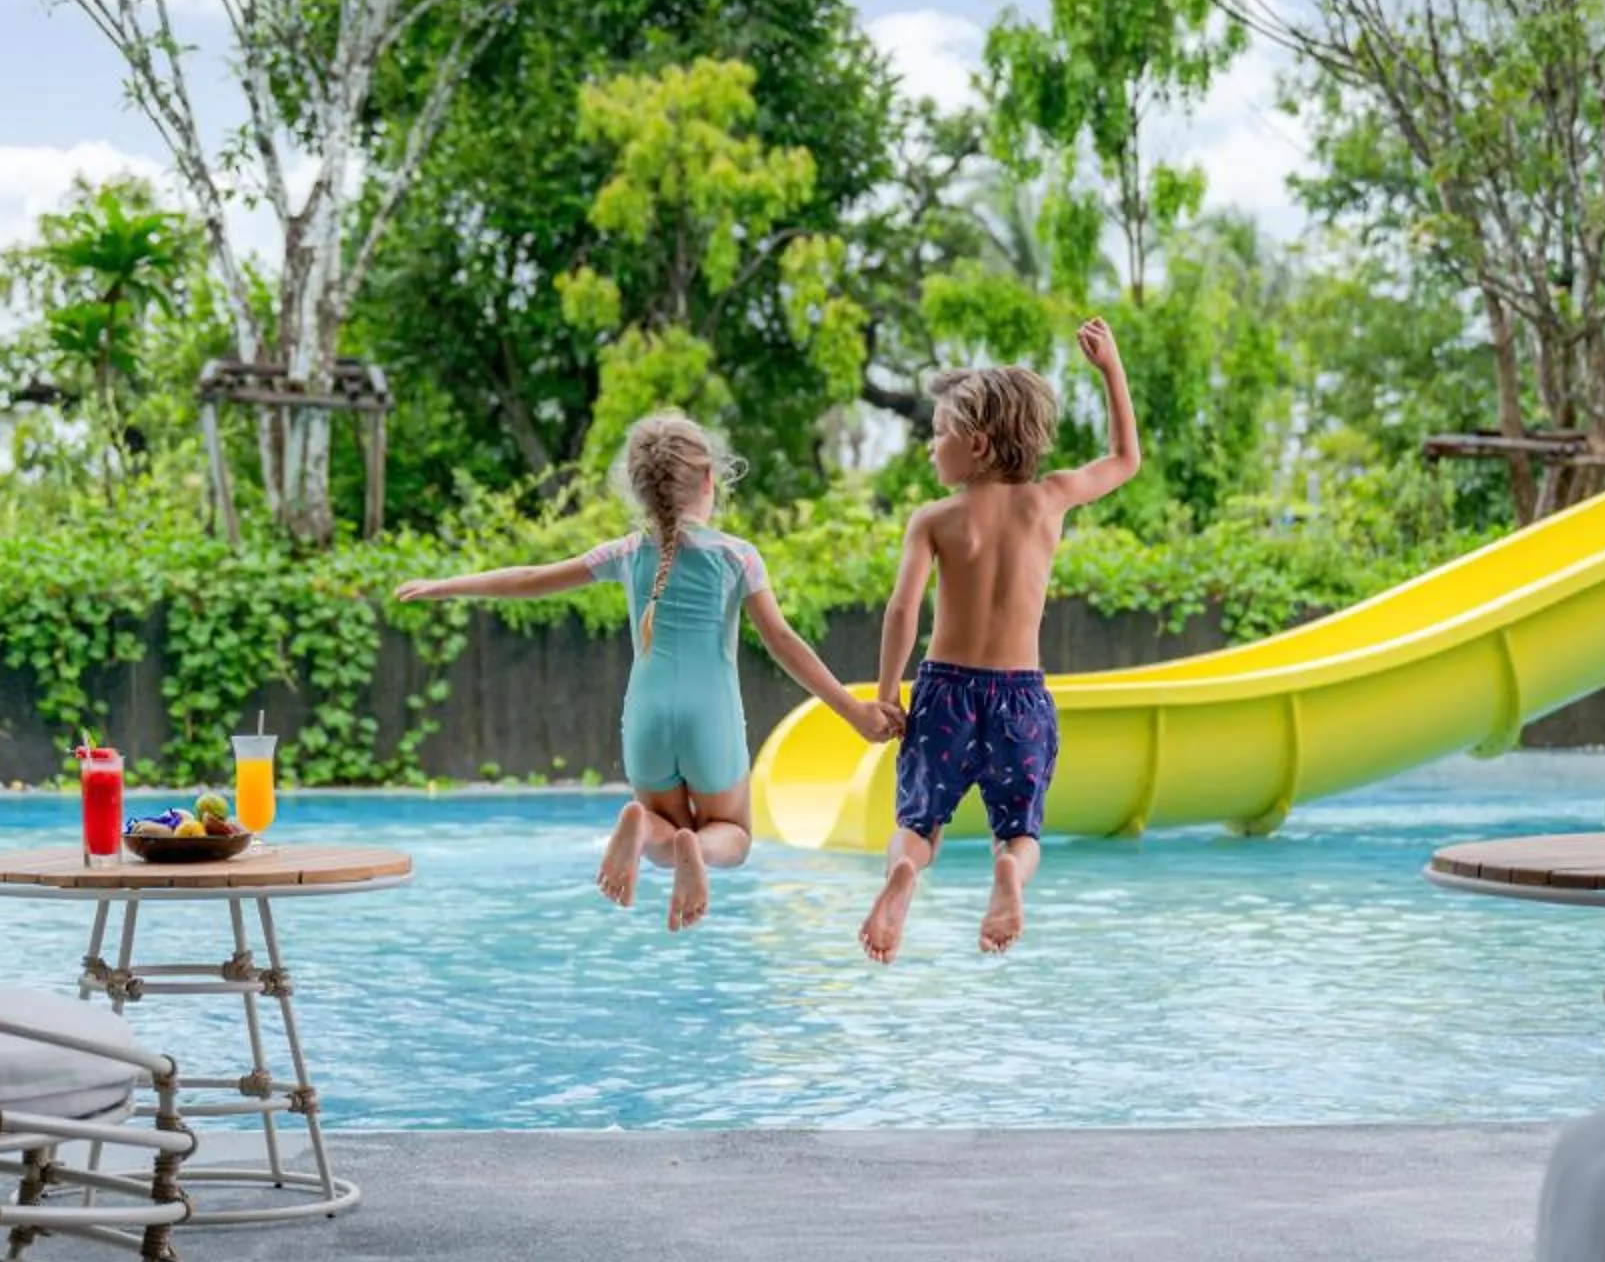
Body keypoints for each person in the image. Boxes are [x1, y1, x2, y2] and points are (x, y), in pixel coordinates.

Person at [395, 414, 882, 931]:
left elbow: (532, 578)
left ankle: (643, 829)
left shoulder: (627, 553)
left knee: (662, 840)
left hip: (646, 717)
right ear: (709, 480)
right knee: (733, 835)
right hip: (709, 715)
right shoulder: (738, 557)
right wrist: (852, 710)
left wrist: (446, 584)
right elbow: (784, 642)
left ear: (640, 490)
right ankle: (697, 847)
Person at [859, 317, 1139, 962]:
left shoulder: (933, 520)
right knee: (1018, 831)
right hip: (1021, 699)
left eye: (939, 435)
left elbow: (902, 610)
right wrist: (1110, 368)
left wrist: (885, 692)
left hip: (944, 693)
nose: (931, 448)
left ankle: (906, 873)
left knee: (916, 825)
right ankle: (1009, 872)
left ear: (978, 445)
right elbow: (1127, 459)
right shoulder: (1051, 500)